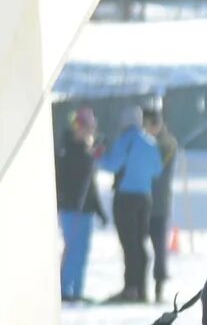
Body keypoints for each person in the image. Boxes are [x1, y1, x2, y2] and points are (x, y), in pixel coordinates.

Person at [95, 104, 165, 305]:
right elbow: (157, 170)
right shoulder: (150, 142)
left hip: (125, 196)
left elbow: (112, 165)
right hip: (145, 197)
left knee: (128, 244)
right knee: (140, 243)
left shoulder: (125, 141)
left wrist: (99, 156)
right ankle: (142, 289)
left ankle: (130, 288)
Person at [55, 107, 106, 303]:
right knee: (73, 250)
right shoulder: (68, 150)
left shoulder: (86, 152)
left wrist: (99, 211)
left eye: (91, 128)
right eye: (85, 127)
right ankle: (65, 289)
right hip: (71, 209)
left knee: (82, 251)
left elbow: (91, 185)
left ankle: (77, 289)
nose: (89, 132)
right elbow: (64, 179)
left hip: (85, 210)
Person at [146, 103, 181, 304]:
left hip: (158, 204)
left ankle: (158, 287)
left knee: (159, 249)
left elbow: (159, 165)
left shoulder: (167, 143)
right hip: (142, 201)